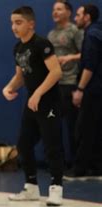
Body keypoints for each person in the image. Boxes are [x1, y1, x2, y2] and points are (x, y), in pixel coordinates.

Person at [3, 6, 65, 206]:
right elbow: (21, 75)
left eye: (18, 22)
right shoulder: (17, 48)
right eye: (12, 23)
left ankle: (56, 189)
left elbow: (55, 72)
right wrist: (9, 87)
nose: (14, 27)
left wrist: (38, 93)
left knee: (52, 145)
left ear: (31, 24)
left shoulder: (42, 44)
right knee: (23, 144)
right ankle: (31, 187)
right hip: (33, 102)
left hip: (48, 102)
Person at [65, 4, 102, 177]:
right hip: (97, 89)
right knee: (94, 129)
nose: (75, 18)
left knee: (84, 129)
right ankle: (96, 167)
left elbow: (90, 65)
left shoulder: (91, 35)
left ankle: (79, 169)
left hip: (93, 89)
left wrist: (80, 89)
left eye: (79, 15)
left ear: (87, 17)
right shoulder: (98, 31)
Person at [47, 0, 84, 165]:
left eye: (59, 9)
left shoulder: (74, 31)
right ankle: (58, 163)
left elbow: (86, 54)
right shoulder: (51, 34)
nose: (55, 12)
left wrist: (69, 57)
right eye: (54, 9)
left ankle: (77, 163)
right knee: (53, 125)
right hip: (55, 84)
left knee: (72, 126)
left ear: (68, 12)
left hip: (70, 82)